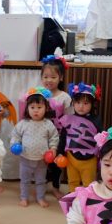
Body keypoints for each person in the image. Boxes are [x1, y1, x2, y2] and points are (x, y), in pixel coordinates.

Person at [10, 87, 59, 208]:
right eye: (32, 107)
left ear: (46, 108)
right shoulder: (23, 123)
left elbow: (54, 137)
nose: (36, 110)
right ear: (27, 108)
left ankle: (40, 197)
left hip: (42, 159)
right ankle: (24, 197)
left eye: (39, 107)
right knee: (25, 180)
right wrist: (15, 144)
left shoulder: (48, 124)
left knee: (41, 181)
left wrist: (53, 149)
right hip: (25, 158)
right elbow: (15, 135)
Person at [57, 82, 103, 193]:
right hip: (71, 158)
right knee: (72, 181)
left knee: (89, 184)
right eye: (78, 102)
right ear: (73, 103)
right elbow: (63, 137)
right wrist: (60, 152)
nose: (81, 106)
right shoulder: (68, 119)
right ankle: (73, 198)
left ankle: (87, 200)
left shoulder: (97, 120)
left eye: (86, 103)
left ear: (92, 104)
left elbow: (101, 139)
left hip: (90, 159)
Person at [40, 55, 72, 198]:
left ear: (61, 78)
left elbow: (70, 118)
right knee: (41, 162)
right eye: (45, 77)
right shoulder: (38, 94)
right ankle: (41, 185)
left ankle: (55, 186)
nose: (49, 80)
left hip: (58, 136)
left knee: (56, 163)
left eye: (53, 77)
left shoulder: (65, 97)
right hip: (41, 135)